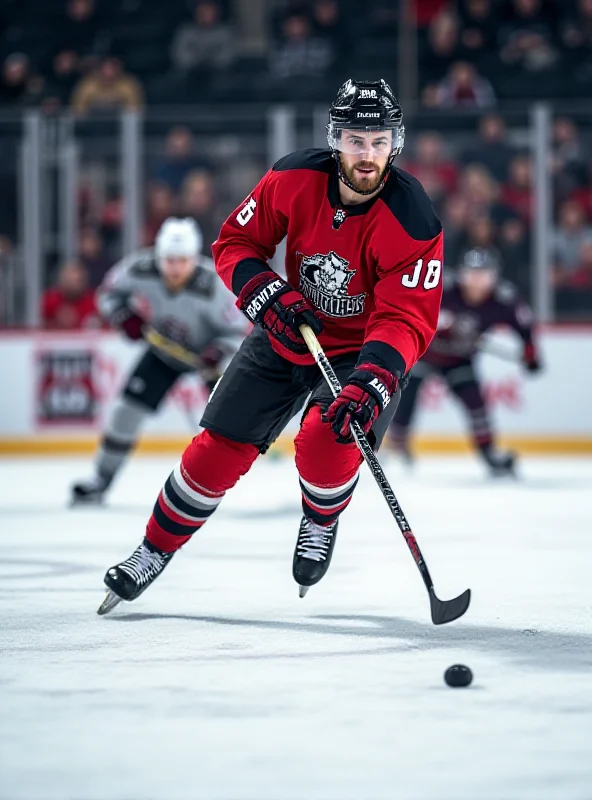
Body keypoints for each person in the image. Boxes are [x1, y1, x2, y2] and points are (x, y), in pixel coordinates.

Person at [97, 78, 444, 615]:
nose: (368, 155)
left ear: (395, 142)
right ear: (335, 140)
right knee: (216, 449)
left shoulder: (414, 219)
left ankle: (320, 520)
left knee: (327, 444)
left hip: (360, 351)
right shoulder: (293, 177)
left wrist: (373, 379)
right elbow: (235, 244)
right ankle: (152, 551)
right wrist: (266, 295)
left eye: (379, 141)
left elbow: (407, 317)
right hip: (287, 330)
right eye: (356, 140)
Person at [71, 218, 245, 505]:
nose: (175, 268)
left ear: (194, 258)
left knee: (226, 425)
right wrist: (122, 315)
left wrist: (218, 351)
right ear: (158, 255)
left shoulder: (214, 284)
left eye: (182, 261)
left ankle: (218, 483)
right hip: (163, 353)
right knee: (125, 413)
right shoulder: (139, 268)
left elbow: (238, 330)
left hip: (211, 360)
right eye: (168, 260)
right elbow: (108, 294)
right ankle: (101, 479)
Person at [390, 247, 542, 476]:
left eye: (484, 275)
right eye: (472, 274)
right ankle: (398, 447)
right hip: (423, 354)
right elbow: (407, 303)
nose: (477, 282)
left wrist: (530, 353)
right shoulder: (442, 287)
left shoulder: (504, 298)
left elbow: (524, 326)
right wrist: (433, 322)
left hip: (459, 359)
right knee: (405, 398)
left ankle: (489, 453)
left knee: (475, 402)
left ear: (494, 276)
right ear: (461, 273)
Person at [41, 260, 100, 329]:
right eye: (70, 281)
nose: (74, 285)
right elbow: (44, 326)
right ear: (63, 280)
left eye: (78, 281)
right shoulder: (50, 299)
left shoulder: (93, 301)